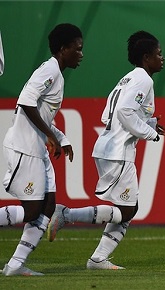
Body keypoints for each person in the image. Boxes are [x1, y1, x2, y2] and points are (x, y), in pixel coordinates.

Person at [47, 31, 165, 270]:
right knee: (128, 209)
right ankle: (66, 214)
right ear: (146, 57)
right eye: (158, 54)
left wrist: (150, 123)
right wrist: (149, 133)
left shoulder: (128, 78)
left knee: (127, 209)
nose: (162, 58)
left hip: (108, 147)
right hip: (117, 151)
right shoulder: (144, 79)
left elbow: (109, 115)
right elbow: (123, 112)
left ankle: (98, 259)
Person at [0, 23, 83, 276]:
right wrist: (51, 136)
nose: (81, 54)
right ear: (63, 48)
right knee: (33, 209)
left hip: (36, 148)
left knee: (48, 206)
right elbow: (25, 101)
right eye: (77, 49)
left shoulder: (56, 73)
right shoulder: (50, 70)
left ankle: (15, 266)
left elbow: (43, 116)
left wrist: (60, 137)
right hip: (25, 147)